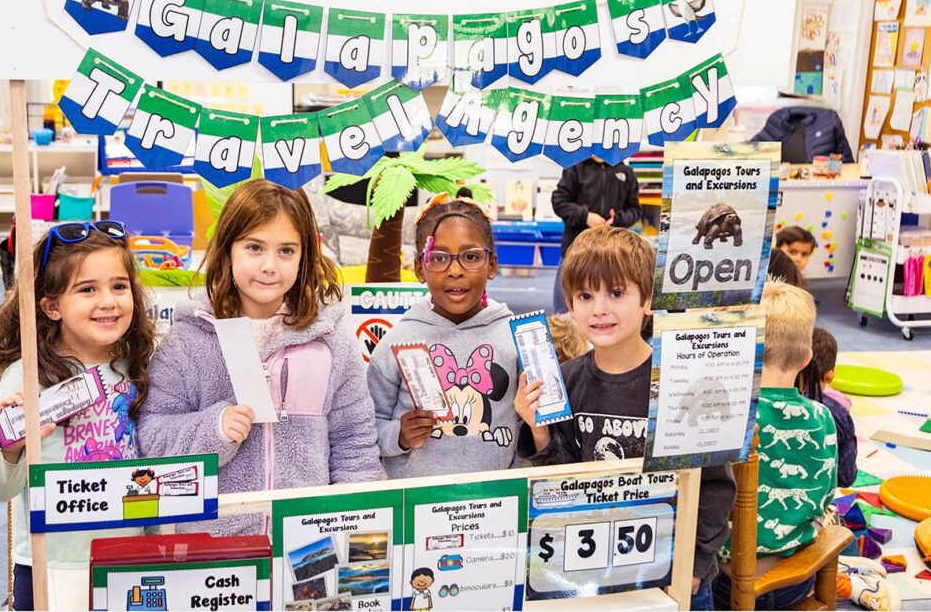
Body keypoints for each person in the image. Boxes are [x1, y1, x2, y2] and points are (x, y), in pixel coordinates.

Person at [137, 179, 381, 535]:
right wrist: (214, 429)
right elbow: (153, 437)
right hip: (215, 553)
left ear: (305, 256)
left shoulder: (332, 340)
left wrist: (352, 528)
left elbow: (355, 440)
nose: (270, 265)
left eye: (286, 251)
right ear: (227, 250)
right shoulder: (189, 341)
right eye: (254, 247)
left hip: (306, 546)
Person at [514, 226, 736, 611]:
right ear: (569, 302)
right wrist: (539, 430)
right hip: (594, 571)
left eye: (616, 293)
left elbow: (715, 486)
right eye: (585, 295)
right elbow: (561, 485)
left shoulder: (680, 380)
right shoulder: (566, 381)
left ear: (648, 299)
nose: (599, 308)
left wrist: (694, 566)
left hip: (676, 572)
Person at [0, 222, 156, 610]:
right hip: (50, 564)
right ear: (52, 306)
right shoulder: (26, 378)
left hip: (129, 558)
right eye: (87, 289)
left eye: (119, 286)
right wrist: (13, 446)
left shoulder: (141, 367)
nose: (108, 301)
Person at [368, 189, 520, 478]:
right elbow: (366, 426)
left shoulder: (513, 338)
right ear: (419, 269)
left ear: (492, 265)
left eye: (471, 256)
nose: (455, 271)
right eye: (438, 258)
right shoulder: (398, 342)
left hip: (495, 500)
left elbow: (532, 426)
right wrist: (399, 435)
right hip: (415, 502)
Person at [712, 281, 838, 610]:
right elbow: (826, 494)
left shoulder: (728, 412)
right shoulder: (823, 417)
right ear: (807, 359)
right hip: (795, 580)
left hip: (726, 582)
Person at [550, 155, 641, 314]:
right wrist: (586, 216)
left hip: (612, 252)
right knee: (565, 305)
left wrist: (617, 219)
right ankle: (565, 334)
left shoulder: (625, 172)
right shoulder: (575, 168)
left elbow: (635, 209)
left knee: (607, 302)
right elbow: (559, 201)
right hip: (574, 249)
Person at [796, 327, 857, 487]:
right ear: (830, 374)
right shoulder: (839, 413)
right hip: (818, 502)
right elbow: (846, 477)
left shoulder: (770, 402)